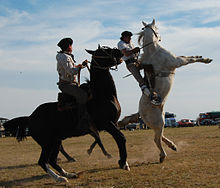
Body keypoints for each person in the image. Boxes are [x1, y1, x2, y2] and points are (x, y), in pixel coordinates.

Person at [117, 31, 161, 105]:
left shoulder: (130, 43)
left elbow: (134, 53)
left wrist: (136, 52)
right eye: (129, 37)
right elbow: (126, 54)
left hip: (137, 62)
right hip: (130, 64)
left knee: (149, 66)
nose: (130, 39)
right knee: (140, 80)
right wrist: (134, 50)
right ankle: (150, 96)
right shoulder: (121, 44)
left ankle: (152, 85)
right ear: (124, 37)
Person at [56, 37, 89, 126]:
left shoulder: (66, 56)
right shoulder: (63, 57)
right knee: (83, 95)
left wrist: (82, 66)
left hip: (71, 84)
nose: (72, 47)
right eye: (71, 45)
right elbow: (71, 71)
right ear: (68, 46)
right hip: (66, 85)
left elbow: (73, 69)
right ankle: (82, 120)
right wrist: (80, 67)